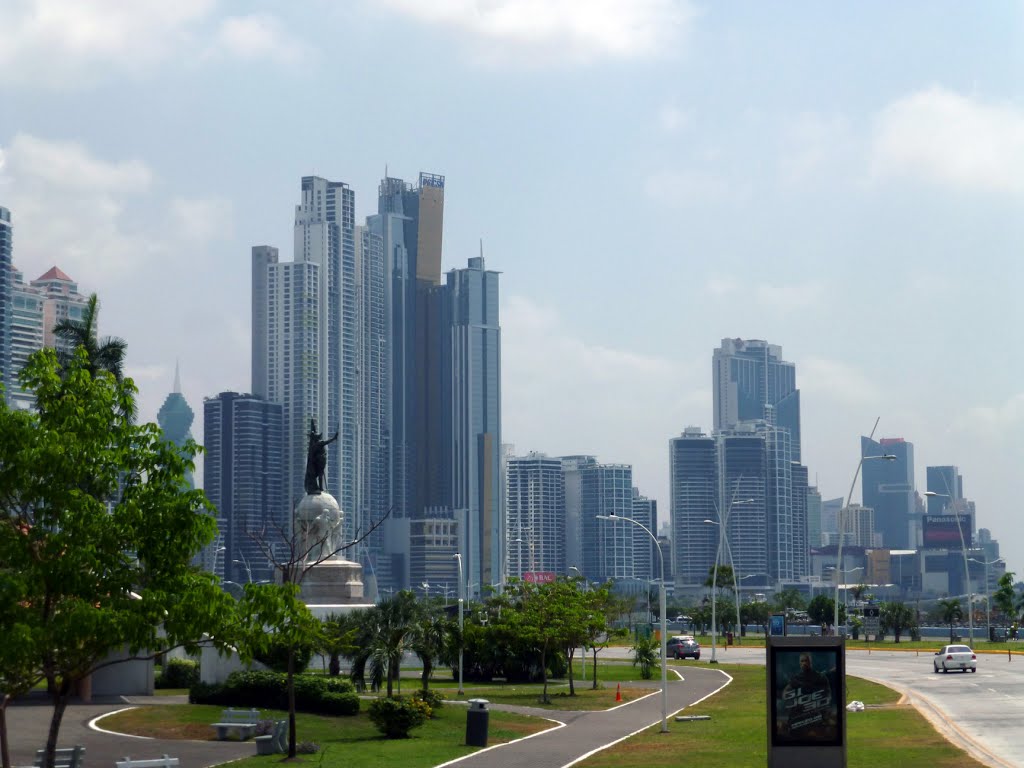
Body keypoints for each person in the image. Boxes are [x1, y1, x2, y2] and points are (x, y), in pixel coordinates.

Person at [778, 652, 835, 740]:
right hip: (798, 719)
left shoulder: (819, 677)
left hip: (815, 718)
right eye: (802, 661)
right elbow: (785, 694)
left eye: (806, 660)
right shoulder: (796, 678)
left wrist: (823, 713)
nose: (804, 663)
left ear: (810, 662)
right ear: (799, 663)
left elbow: (828, 695)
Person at [304, 419, 339, 495]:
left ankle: (320, 487)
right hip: (319, 463)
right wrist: (334, 438)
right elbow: (327, 442)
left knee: (319, 475)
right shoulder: (319, 443)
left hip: (318, 463)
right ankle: (320, 488)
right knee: (320, 475)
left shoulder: (313, 445)